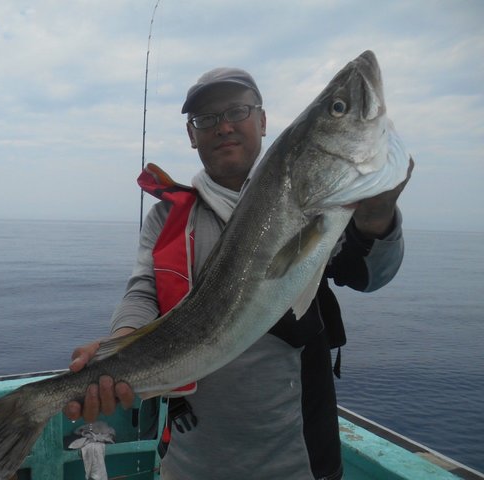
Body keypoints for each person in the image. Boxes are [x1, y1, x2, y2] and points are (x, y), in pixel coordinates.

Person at [65, 67, 414, 479]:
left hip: (299, 456)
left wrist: (377, 215)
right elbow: (144, 291)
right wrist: (120, 344)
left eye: (237, 110)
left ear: (263, 121)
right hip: (192, 455)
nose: (224, 126)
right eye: (206, 119)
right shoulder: (168, 217)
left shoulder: (318, 201)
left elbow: (368, 275)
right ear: (192, 136)